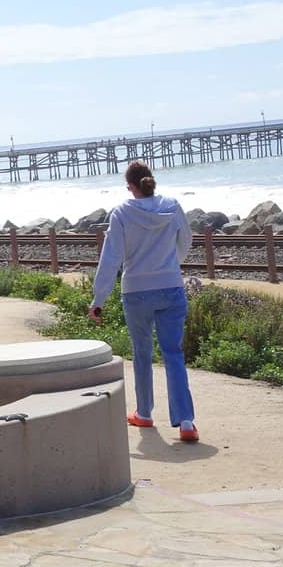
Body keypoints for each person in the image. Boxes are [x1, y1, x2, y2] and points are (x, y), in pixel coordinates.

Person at [87, 160, 199, 442]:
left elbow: (111, 257)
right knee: (173, 353)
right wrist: (170, 266)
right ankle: (186, 422)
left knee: (142, 353)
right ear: (151, 181)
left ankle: (145, 413)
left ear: (130, 187)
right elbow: (186, 240)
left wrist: (99, 298)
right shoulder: (172, 206)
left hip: (136, 290)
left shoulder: (122, 212)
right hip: (171, 287)